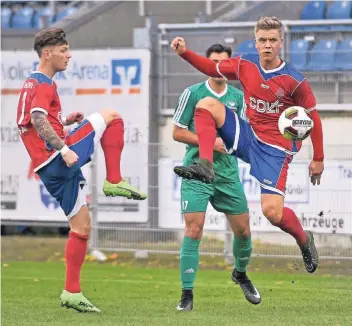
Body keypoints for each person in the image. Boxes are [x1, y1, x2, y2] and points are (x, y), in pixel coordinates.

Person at [170, 16, 324, 274]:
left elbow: (313, 117)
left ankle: (303, 239)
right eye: (262, 40)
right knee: (206, 105)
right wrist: (184, 52)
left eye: (272, 40)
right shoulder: (245, 64)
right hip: (248, 134)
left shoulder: (294, 80)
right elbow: (211, 68)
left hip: (275, 151)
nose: (267, 45)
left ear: (281, 43)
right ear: (255, 42)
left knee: (273, 213)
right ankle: (205, 165)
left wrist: (318, 157)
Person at [16, 28, 147, 313]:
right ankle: (113, 180)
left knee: (81, 226)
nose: (69, 55)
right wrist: (64, 148)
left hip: (47, 168)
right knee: (112, 116)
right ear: (47, 53)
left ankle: (72, 292)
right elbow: (37, 119)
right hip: (57, 159)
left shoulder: (31, 83)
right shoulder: (43, 83)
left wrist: (63, 122)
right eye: (64, 50)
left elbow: (34, 122)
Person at [173, 44, 260, 311]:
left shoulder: (238, 97)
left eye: (223, 62)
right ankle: (186, 294)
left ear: (229, 64)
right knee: (194, 229)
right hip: (197, 170)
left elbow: (244, 136)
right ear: (206, 64)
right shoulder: (193, 93)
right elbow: (177, 133)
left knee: (243, 231)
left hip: (227, 174)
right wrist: (208, 141)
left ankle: (240, 274)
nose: (217, 66)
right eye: (212, 61)